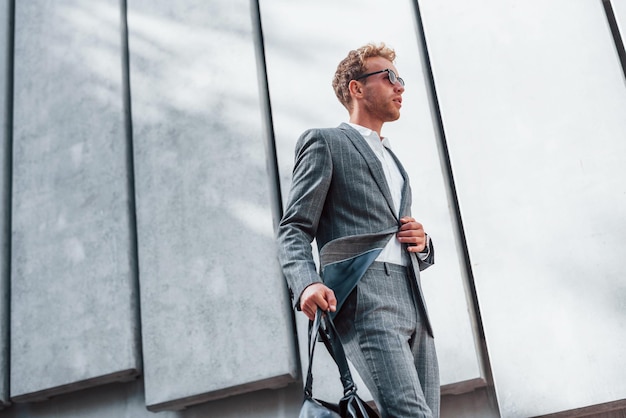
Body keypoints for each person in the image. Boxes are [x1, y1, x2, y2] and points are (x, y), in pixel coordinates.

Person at [277, 42, 439, 418]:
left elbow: (395, 238)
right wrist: (305, 282)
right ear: (356, 88)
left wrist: (424, 244)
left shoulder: (395, 162)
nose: (401, 87)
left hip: (414, 301)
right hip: (366, 297)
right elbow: (295, 227)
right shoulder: (325, 142)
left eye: (401, 79)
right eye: (390, 77)